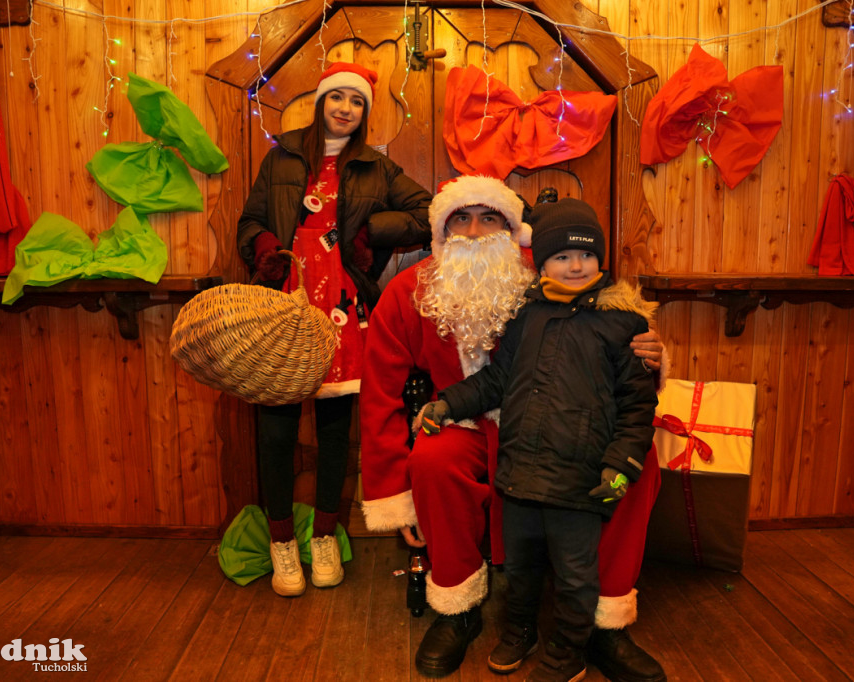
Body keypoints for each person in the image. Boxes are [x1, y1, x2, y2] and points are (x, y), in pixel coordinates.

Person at [360, 175, 667, 681]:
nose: (476, 232)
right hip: (466, 422)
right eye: (462, 219)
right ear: (441, 229)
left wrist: (651, 354)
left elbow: (615, 333)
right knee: (434, 460)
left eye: (490, 219)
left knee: (637, 463)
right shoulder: (409, 291)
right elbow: (379, 395)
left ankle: (605, 622)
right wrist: (394, 491)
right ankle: (457, 609)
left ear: (513, 229)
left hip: (565, 421)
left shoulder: (552, 269)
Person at [236, 62, 431, 597]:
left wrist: (369, 234)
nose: (345, 107)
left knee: (332, 434)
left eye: (357, 101)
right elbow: (249, 221)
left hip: (344, 306)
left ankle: (324, 537)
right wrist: (265, 252)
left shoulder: (375, 166)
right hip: (285, 304)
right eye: (337, 97)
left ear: (365, 111)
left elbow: (426, 212)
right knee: (275, 431)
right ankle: (281, 545)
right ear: (321, 102)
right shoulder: (281, 156)